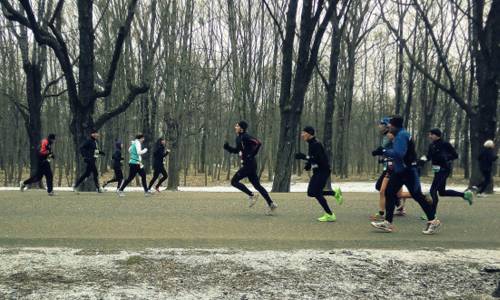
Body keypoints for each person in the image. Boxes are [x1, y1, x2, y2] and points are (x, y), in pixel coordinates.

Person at [371, 116, 440, 234]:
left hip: (408, 171)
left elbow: (399, 153)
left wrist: (383, 151)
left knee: (417, 196)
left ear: (394, 126)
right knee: (389, 192)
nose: (388, 128)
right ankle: (387, 223)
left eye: (390, 126)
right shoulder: (401, 134)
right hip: (400, 171)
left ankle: (433, 221)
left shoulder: (401, 135)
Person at [223, 121, 277, 215]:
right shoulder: (238, 138)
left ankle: (252, 195)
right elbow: (237, 150)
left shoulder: (245, 136)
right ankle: (271, 204)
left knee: (234, 181)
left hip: (250, 164)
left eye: (237, 126)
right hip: (248, 164)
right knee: (257, 186)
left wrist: (251, 155)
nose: (235, 127)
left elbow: (258, 143)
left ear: (242, 128)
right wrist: (228, 148)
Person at [418, 128, 473, 216]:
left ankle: (431, 214)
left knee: (433, 190)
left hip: (444, 169)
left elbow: (455, 155)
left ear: (436, 135)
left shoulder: (445, 144)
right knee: (442, 192)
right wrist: (420, 161)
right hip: (437, 170)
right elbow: (428, 156)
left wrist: (446, 158)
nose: (429, 136)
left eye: (431, 134)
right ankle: (465, 195)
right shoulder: (431, 145)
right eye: (429, 134)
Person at [295, 126, 343, 222]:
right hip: (318, 171)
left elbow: (319, 159)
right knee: (311, 192)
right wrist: (308, 165)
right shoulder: (311, 143)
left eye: (303, 133)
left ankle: (330, 214)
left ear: (309, 133)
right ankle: (334, 193)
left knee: (316, 193)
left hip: (323, 170)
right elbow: (313, 157)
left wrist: (304, 157)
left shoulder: (316, 144)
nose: (302, 135)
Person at [371, 118, 410, 221]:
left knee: (383, 190)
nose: (379, 126)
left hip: (393, 166)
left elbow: (395, 150)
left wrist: (382, 152)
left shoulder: (391, 134)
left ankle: (383, 214)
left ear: (386, 125)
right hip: (390, 165)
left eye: (381, 124)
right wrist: (383, 157)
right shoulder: (387, 135)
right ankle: (397, 207)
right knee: (393, 192)